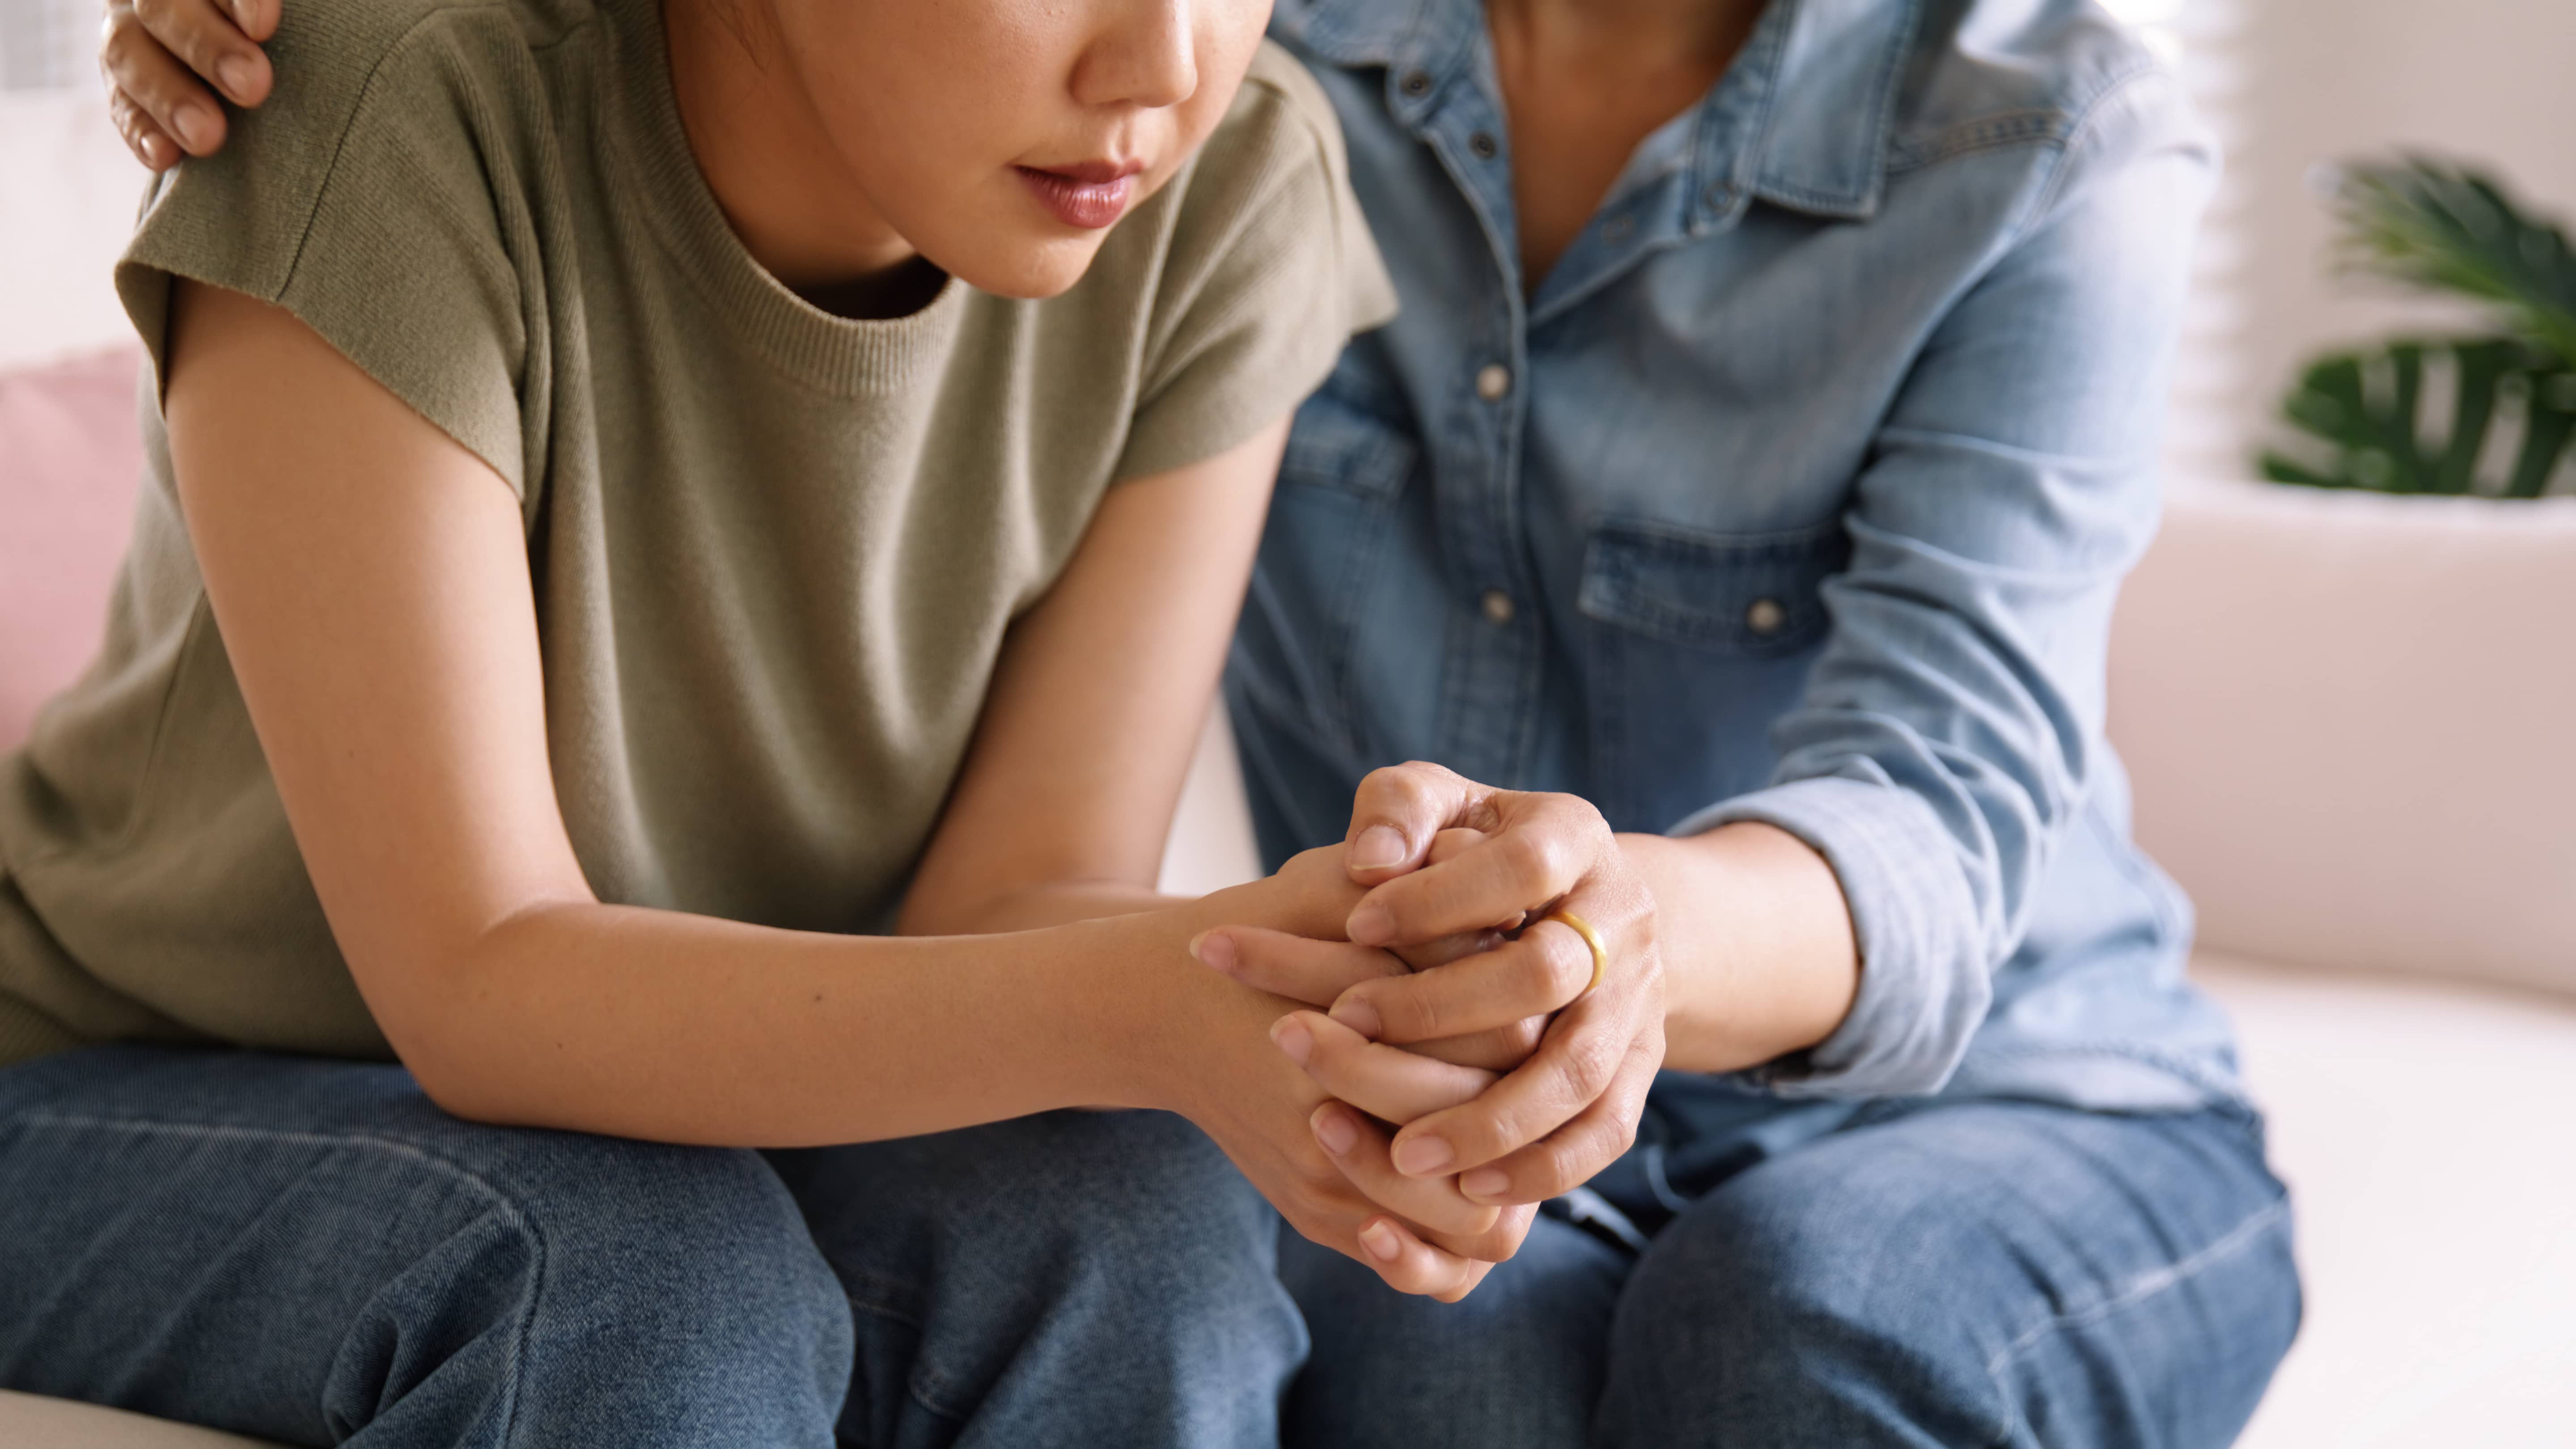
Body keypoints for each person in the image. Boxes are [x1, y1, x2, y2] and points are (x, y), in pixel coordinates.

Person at [95, 0, 2308, 1445]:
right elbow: (522, 973)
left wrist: (1504, 952)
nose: (1154, 62)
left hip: (1976, 1084)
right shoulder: (1275, 84)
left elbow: (1943, 798)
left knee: (1765, 1333)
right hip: (193, 1066)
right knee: (733, 1281)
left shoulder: (2028, 132)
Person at [0, 0, 1569, 1445]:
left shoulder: (1228, 185)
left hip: (726, 1103)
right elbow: (480, 980)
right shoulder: (398, 104)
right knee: (629, 1280)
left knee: (1134, 1222)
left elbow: (1012, 900)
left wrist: (1310, 978)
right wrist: (1157, 1000)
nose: (1162, 67)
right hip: (121, 1080)